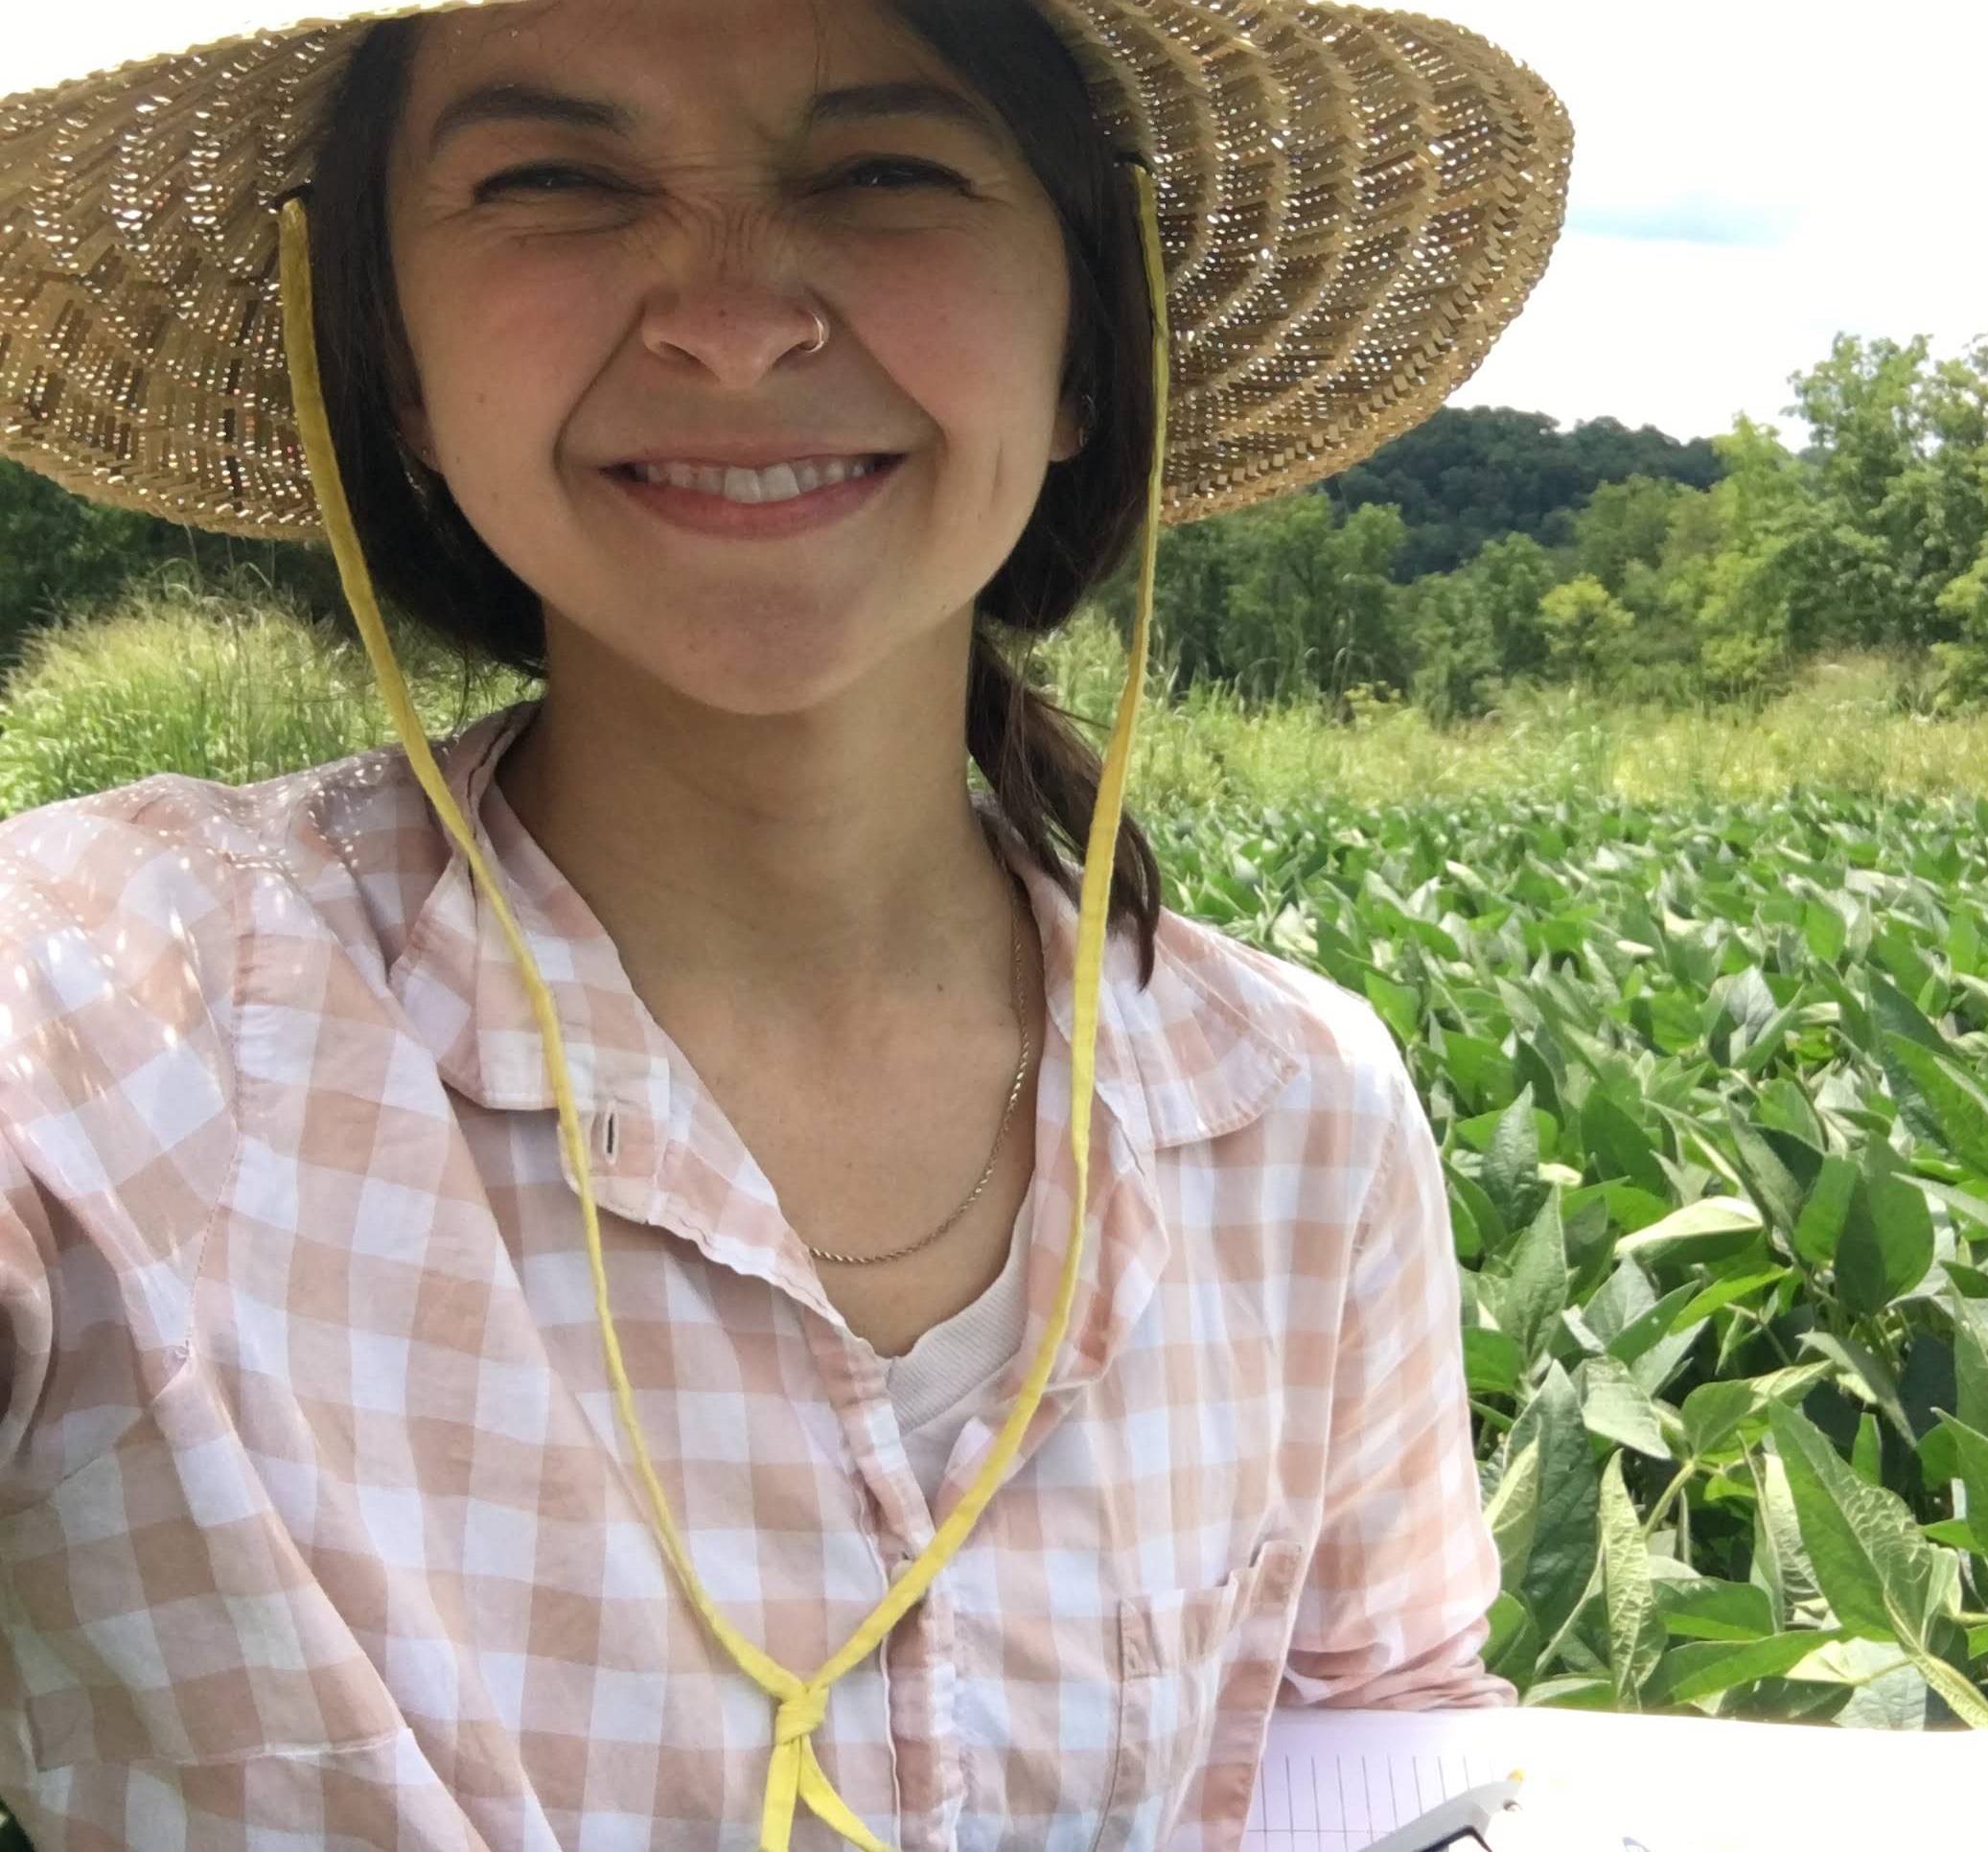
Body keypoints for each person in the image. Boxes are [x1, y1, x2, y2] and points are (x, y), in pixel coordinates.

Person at [0, 0, 1570, 1844]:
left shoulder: (1294, 1110)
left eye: (884, 172)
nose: (733, 321)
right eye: (557, 183)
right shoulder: (111, 1004)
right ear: (398, 365)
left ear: (1084, 345)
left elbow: (1368, 1732)